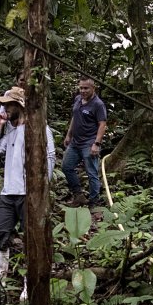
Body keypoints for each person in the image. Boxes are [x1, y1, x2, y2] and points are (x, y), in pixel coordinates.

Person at [0, 86, 56, 299]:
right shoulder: (10, 131)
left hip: (29, 194)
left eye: (9, 105)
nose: (5, 109)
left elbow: (50, 158)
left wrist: (41, 188)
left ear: (19, 106)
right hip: (9, 193)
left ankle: (30, 284)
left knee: (31, 240)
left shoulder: (39, 129)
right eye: (4, 105)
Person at [62, 77, 107, 207]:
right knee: (67, 166)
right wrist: (68, 134)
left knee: (91, 172)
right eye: (81, 88)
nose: (83, 90)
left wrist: (96, 144)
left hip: (89, 142)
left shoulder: (98, 104)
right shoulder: (78, 99)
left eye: (86, 88)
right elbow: (74, 117)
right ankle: (78, 195)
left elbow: (102, 125)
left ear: (93, 88)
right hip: (75, 142)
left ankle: (94, 202)